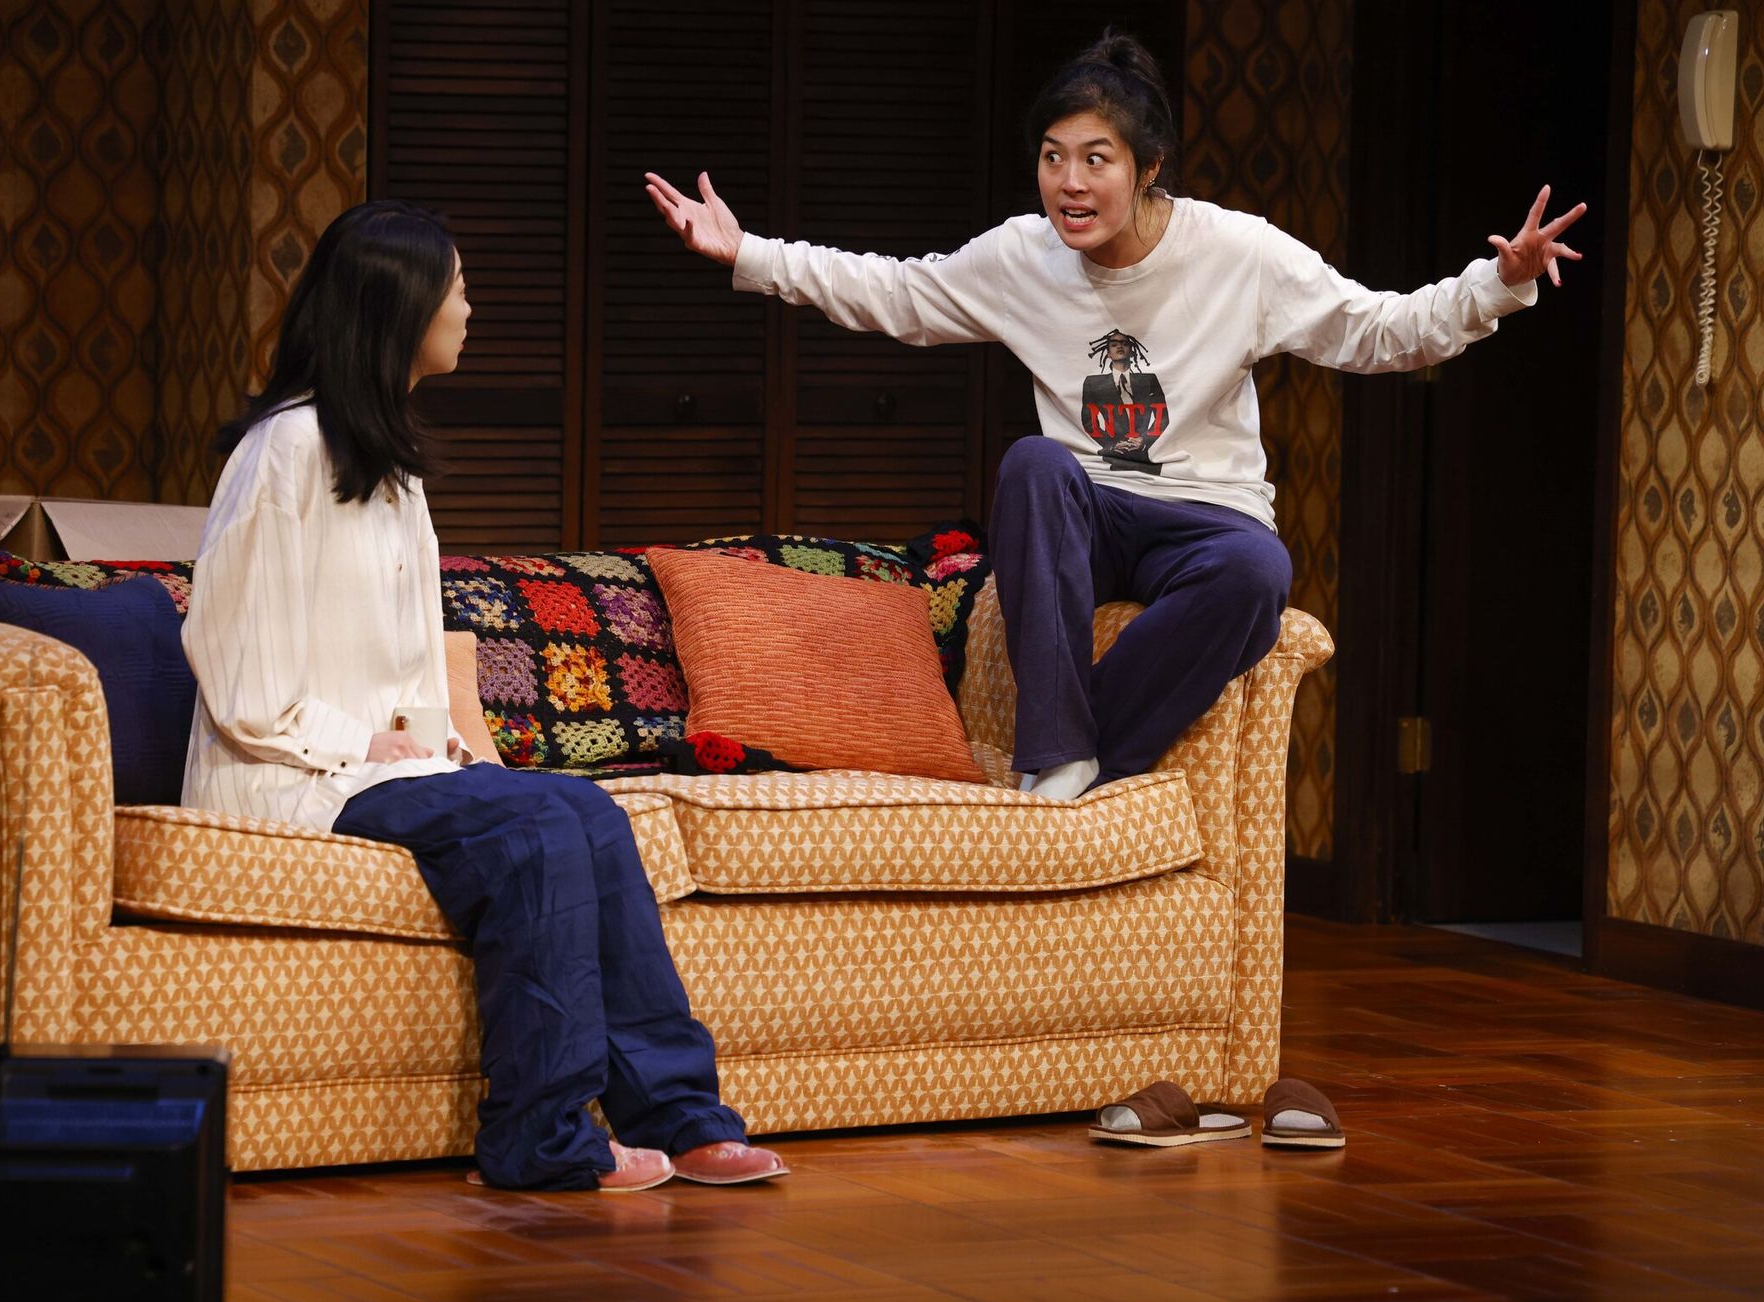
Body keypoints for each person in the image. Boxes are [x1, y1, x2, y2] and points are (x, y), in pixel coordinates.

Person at [646, 31, 1584, 800]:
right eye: (1054, 159)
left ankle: (1086, 768)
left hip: (1202, 521)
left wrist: (1495, 284)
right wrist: (748, 254)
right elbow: (895, 292)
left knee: (1260, 572)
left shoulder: (1237, 255)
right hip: (1084, 512)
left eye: (1097, 159)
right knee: (1035, 464)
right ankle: (1056, 758)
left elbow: (1378, 329)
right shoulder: (1023, 255)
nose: (1070, 184)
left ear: (1149, 168)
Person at [180, 200, 787, 1193]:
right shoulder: (284, 452)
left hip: (382, 765)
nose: (469, 304)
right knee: (533, 833)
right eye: (454, 286)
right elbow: (233, 662)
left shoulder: (388, 464)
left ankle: (682, 1120)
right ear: (399, 304)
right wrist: (367, 744)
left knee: (584, 810)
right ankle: (539, 1139)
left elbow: (407, 667)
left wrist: (446, 750)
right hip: (289, 771)